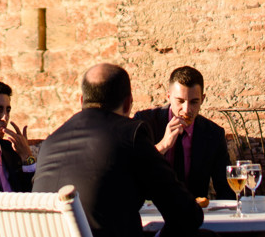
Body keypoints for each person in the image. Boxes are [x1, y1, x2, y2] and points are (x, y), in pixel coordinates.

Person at [33, 63, 203, 237]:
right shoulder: (131, 135)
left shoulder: (49, 143)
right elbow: (187, 216)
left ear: (82, 101)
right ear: (128, 103)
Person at [133, 65, 233, 199]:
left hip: (193, 212)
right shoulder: (145, 122)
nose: (186, 110)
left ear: (202, 99)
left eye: (194, 102)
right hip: (151, 210)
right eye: (180, 101)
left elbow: (225, 188)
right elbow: (131, 169)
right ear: (168, 96)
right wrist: (162, 146)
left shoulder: (213, 134)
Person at [0, 80, 34, 192]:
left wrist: (27, 156)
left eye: (8, 110)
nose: (5, 117)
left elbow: (34, 192)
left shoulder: (10, 150)